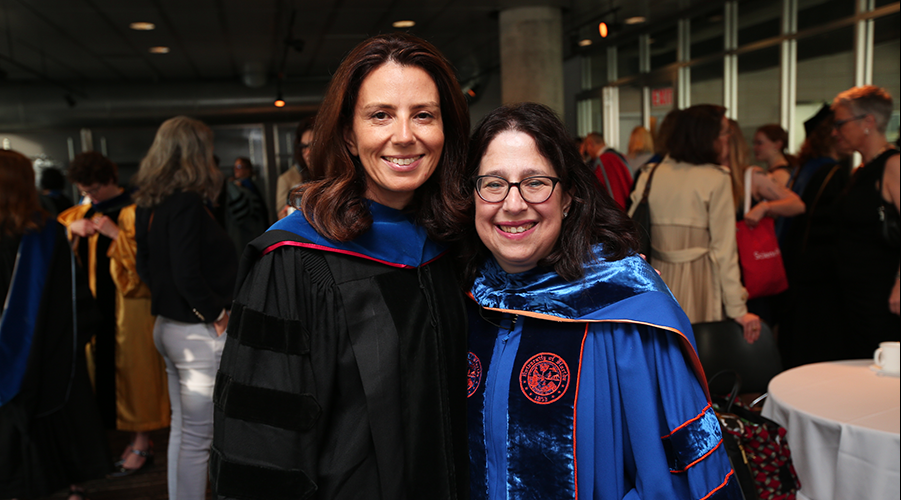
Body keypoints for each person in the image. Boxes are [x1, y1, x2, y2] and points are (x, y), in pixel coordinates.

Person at [210, 33, 470, 500]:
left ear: (446, 129)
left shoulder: (457, 246)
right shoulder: (294, 263)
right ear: (349, 134)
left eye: (424, 115)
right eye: (381, 115)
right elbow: (261, 441)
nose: (405, 135)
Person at [455, 103, 740, 500]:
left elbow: (675, 478)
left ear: (568, 196)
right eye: (493, 183)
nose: (514, 203)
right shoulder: (462, 301)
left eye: (535, 182)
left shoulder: (625, 309)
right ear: (472, 195)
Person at [133, 116, 238, 500]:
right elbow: (186, 273)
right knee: (198, 438)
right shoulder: (187, 203)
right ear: (195, 153)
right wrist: (216, 314)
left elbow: (146, 266)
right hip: (195, 334)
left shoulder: (149, 203)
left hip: (167, 327)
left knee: (185, 432)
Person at [0, 150, 110, 500]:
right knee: (49, 422)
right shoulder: (46, 233)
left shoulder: (48, 231)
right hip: (49, 355)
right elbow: (74, 301)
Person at [56, 151, 169, 477]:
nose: (90, 196)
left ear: (110, 181)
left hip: (129, 311)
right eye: (85, 191)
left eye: (94, 189)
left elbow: (154, 264)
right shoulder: (79, 212)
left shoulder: (137, 212)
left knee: (134, 375)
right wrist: (70, 232)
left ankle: (141, 442)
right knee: (96, 375)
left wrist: (116, 235)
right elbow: (52, 249)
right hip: (91, 310)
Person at [629, 104, 761, 342]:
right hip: (702, 285)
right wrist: (738, 310)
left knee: (664, 355)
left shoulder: (651, 173)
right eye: (723, 132)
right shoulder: (716, 178)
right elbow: (724, 252)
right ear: (707, 137)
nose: (727, 138)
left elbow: (631, 231)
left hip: (658, 283)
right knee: (700, 356)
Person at [827, 85, 899, 357]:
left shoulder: (893, 165)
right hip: (853, 292)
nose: (835, 132)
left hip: (880, 295)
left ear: (868, 121)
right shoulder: (861, 169)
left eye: (840, 123)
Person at [224, 157, 269, 256]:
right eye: (235, 167)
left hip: (249, 233)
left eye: (239, 166)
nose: (236, 169)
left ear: (248, 169)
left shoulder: (248, 189)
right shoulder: (239, 187)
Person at [276, 116, 315, 219]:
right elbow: (282, 215)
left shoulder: (338, 177)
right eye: (304, 147)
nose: (307, 153)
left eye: (312, 145)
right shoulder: (291, 182)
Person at [581, 132, 632, 210]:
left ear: (590, 144)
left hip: (615, 210)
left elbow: (606, 191)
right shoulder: (619, 156)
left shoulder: (604, 161)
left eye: (586, 146)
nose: (587, 151)